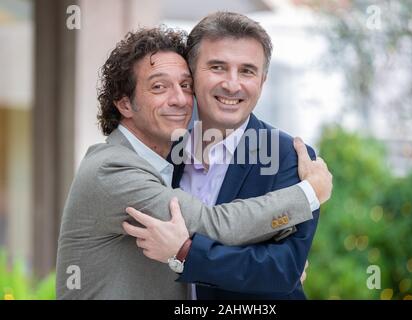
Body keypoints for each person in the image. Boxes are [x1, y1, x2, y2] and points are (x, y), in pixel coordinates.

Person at [55, 26, 332, 299]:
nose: (178, 99)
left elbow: (284, 270)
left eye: (183, 85)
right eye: (159, 86)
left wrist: (186, 252)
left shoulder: (287, 156)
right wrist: (309, 194)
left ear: (263, 80)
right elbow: (211, 223)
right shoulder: (117, 169)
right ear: (125, 103)